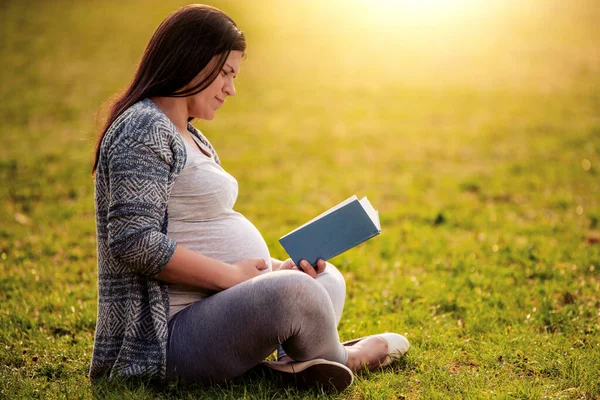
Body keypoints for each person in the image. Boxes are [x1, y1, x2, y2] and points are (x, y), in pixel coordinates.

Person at [89, 4, 409, 391]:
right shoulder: (143, 129)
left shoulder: (189, 133)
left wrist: (266, 273)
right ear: (191, 58)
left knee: (323, 279)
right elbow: (133, 241)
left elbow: (199, 230)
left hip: (214, 310)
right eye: (225, 73)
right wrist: (233, 279)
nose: (231, 88)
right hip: (165, 338)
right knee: (297, 293)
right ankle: (346, 358)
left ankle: (292, 365)